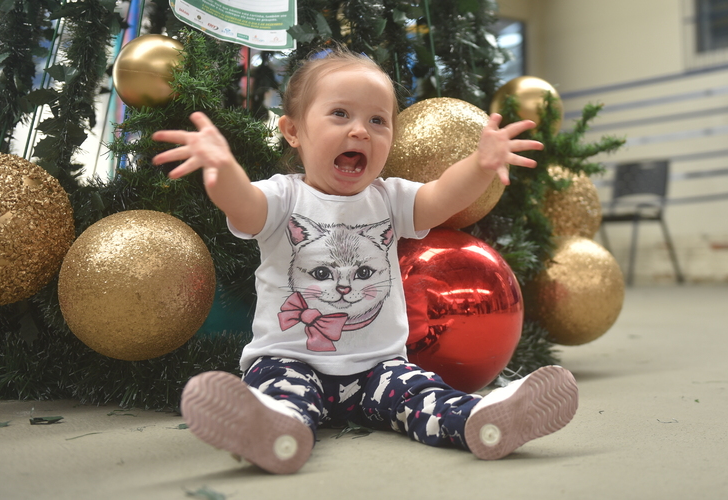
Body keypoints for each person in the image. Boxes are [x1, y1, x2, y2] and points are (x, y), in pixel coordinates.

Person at [152, 48, 578, 474]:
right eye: (340, 114)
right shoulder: (284, 197)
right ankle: (277, 432)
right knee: (282, 395)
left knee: (421, 394)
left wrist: (481, 166)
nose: (360, 131)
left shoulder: (389, 199)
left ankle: (478, 420)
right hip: (290, 360)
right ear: (293, 131)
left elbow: (440, 197)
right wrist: (222, 169)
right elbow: (244, 207)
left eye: (378, 120)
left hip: (380, 368)